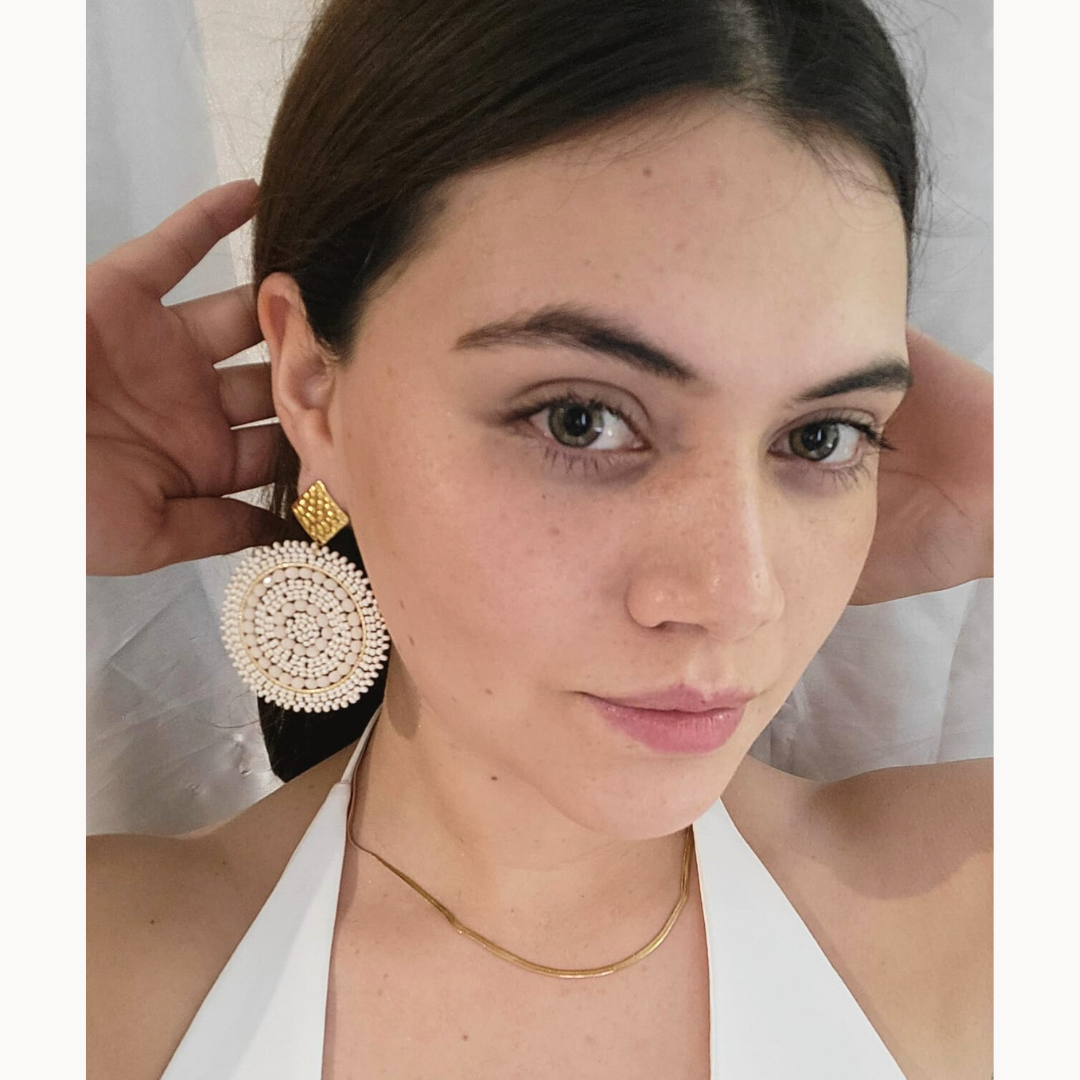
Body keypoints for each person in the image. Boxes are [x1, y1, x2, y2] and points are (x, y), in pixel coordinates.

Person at [87, 2, 993, 1078]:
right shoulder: (92, 979)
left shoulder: (986, 910)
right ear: (312, 387)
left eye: (821, 433)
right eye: (582, 419)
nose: (736, 593)